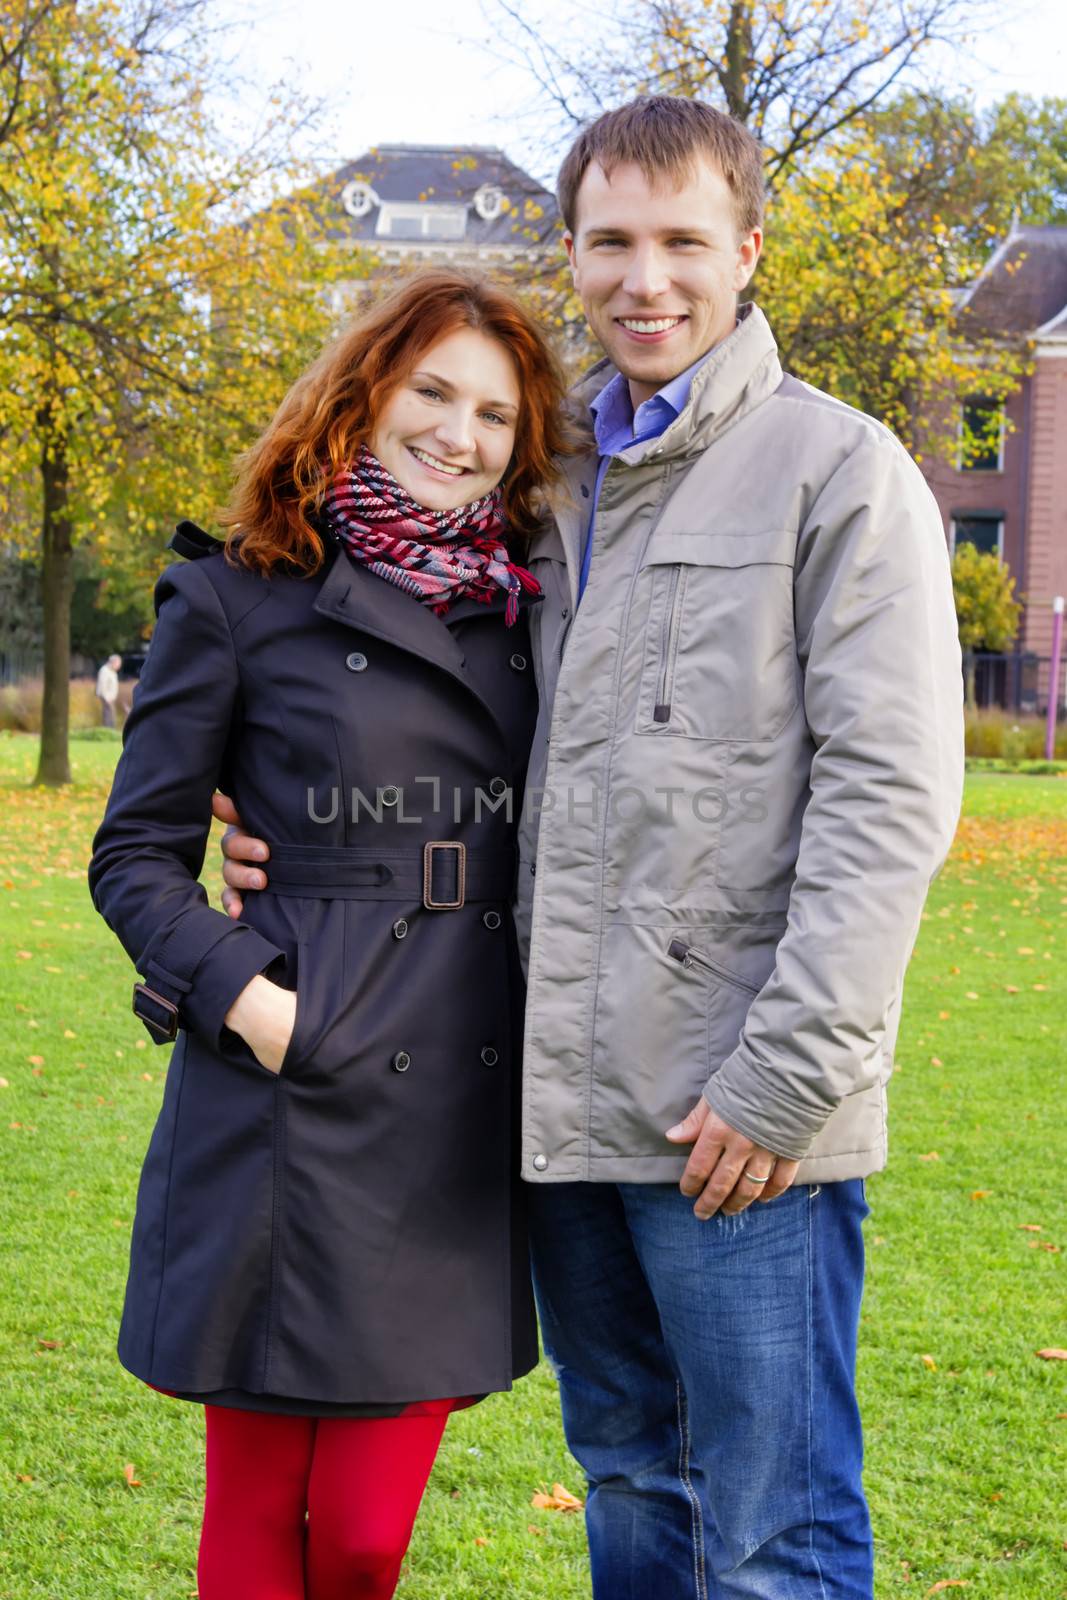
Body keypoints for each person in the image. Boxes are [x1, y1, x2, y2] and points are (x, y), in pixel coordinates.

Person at [221, 99, 965, 1599]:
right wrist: (273, 836)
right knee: (632, 1480)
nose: (646, 278)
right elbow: (433, 719)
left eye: (682, 241)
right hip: (560, 1109)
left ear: (745, 251)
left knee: (774, 1531)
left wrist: (783, 1079)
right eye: (611, 242)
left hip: (735, 1123)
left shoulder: (838, 472)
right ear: (570, 255)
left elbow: (888, 799)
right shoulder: (542, 488)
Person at [88, 268, 571, 1600]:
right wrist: (253, 1004)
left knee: (361, 1533)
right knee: (257, 1506)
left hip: (455, 1097)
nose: (457, 434)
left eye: (493, 412)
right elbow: (134, 856)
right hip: (286, 1089)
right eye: (431, 391)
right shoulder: (238, 595)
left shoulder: (537, 609)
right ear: (363, 389)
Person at [95, 653, 121, 727]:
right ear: (114, 662)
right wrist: (107, 698)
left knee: (111, 717)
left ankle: (111, 732)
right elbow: (102, 685)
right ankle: (108, 732)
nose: (119, 666)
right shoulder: (105, 670)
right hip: (107, 698)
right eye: (118, 664)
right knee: (108, 717)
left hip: (111, 698)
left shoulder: (113, 672)